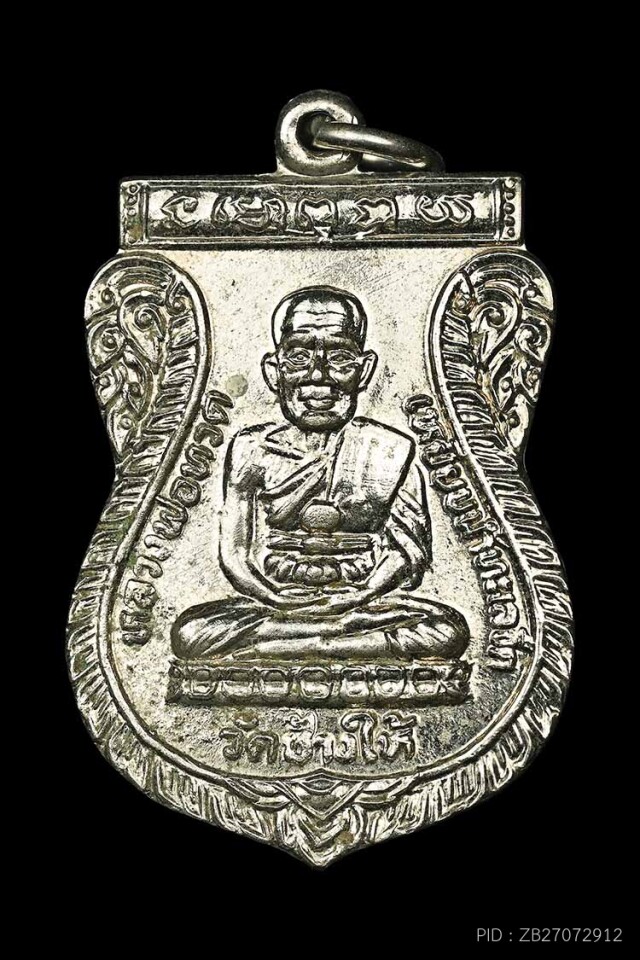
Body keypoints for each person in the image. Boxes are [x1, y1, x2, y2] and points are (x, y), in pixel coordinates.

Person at [172, 286, 469, 662]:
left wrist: (359, 595)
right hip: (278, 599)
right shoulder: (251, 448)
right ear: (273, 371)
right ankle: (332, 645)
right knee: (191, 633)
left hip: (363, 600)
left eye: (340, 357)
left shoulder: (390, 449)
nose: (318, 375)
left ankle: (290, 647)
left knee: (445, 631)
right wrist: (274, 597)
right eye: (298, 357)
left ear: (364, 370)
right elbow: (235, 555)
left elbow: (406, 552)